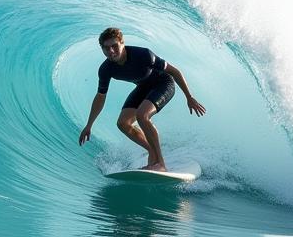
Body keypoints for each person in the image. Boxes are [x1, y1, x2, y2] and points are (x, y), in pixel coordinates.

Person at [78, 27, 206, 172]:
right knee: (123, 123)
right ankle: (151, 151)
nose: (111, 51)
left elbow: (174, 72)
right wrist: (89, 125)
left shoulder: (144, 55)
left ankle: (161, 163)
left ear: (122, 43)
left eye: (114, 46)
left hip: (163, 83)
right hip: (144, 87)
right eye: (106, 48)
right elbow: (100, 97)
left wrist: (189, 97)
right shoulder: (106, 69)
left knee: (142, 116)